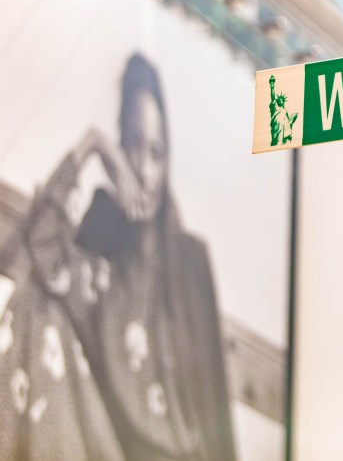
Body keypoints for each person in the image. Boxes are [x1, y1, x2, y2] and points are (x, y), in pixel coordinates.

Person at [0, 54, 236, 460]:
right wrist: (92, 143)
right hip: (108, 446)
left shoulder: (190, 263)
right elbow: (40, 247)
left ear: (169, 161)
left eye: (157, 153)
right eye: (132, 144)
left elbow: (216, 416)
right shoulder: (102, 241)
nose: (144, 171)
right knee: (38, 308)